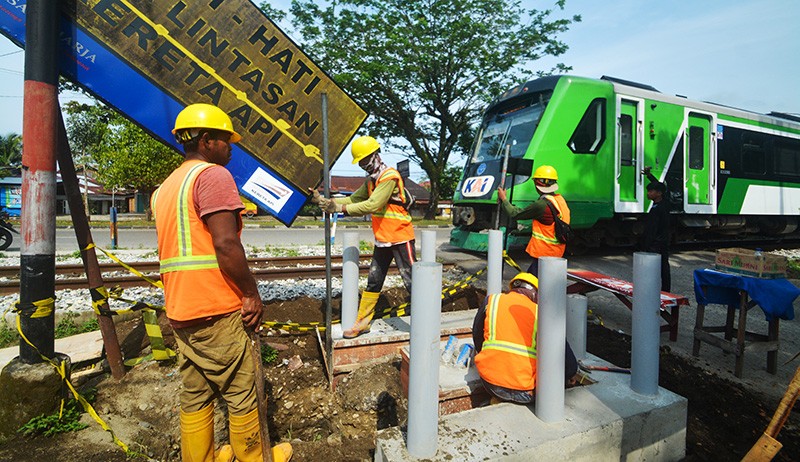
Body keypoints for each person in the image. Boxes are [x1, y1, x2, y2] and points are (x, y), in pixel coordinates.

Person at [152, 103, 292, 462]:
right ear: (206, 140)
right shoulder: (212, 177)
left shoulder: (166, 187)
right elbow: (226, 243)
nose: (232, 146)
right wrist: (250, 293)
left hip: (182, 310)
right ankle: (254, 458)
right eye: (226, 139)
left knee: (195, 392)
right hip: (217, 308)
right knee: (242, 391)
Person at [313, 135, 416, 338]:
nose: (363, 165)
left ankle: (425, 320)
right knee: (373, 281)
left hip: (401, 236)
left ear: (375, 155)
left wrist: (340, 208)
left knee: (412, 281)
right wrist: (326, 201)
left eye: (364, 160)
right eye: (360, 162)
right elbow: (353, 198)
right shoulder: (371, 181)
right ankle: (363, 322)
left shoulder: (389, 176)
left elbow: (372, 205)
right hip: (383, 238)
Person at [472, 272, 579, 404]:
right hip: (524, 390)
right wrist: (570, 374)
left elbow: (477, 334)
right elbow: (562, 351)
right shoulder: (541, 312)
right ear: (536, 294)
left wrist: (487, 355)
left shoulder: (492, 300)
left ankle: (496, 399)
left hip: (489, 381)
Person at [497, 165, 570, 276]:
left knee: (533, 284)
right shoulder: (560, 200)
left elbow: (515, 213)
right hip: (557, 251)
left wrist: (504, 199)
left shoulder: (541, 205)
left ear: (537, 184)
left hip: (544, 253)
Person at [640, 165, 671, 292]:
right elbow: (661, 186)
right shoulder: (658, 204)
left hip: (658, 242)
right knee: (661, 267)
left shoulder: (662, 206)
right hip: (658, 242)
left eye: (651, 191)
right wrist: (649, 176)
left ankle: (664, 291)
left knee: (661, 268)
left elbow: (653, 229)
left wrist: (648, 244)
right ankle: (662, 290)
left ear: (659, 194)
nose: (648, 193)